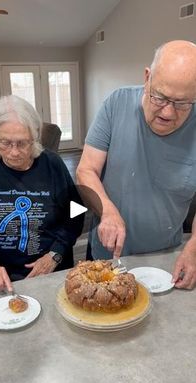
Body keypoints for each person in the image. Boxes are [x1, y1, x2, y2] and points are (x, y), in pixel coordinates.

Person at [76, 40, 196, 290]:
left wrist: (193, 247)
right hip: (108, 255)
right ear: (147, 77)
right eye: (160, 97)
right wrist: (107, 210)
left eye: (183, 103)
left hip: (166, 257)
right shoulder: (116, 103)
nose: (168, 113)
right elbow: (86, 170)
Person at [0, 95, 84, 292]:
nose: (14, 152)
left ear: (34, 137)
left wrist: (56, 253)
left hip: (50, 271)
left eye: (22, 143)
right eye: (5, 142)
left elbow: (76, 212)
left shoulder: (52, 165)